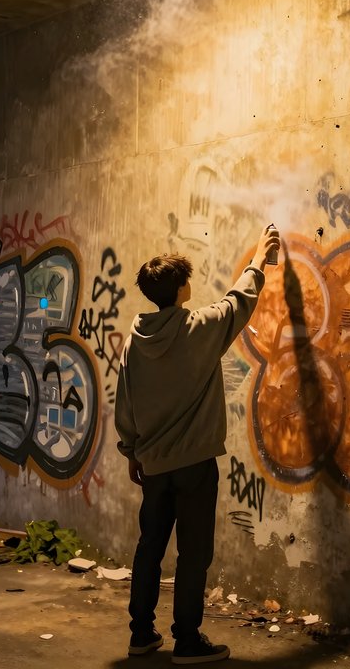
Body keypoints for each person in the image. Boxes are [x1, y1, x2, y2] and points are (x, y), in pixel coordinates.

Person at [114, 224, 281, 664]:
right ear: (181, 288)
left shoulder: (134, 341)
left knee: (150, 546)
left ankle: (141, 635)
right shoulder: (199, 328)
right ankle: (187, 640)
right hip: (194, 465)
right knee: (193, 553)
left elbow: (125, 403)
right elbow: (239, 302)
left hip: (152, 465)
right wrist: (259, 258)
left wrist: (131, 451)